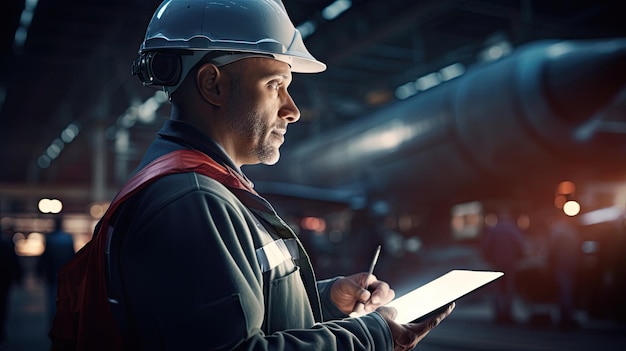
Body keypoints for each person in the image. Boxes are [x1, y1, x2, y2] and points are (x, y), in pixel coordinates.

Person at [73, 0, 454, 350]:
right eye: (275, 86)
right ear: (213, 85)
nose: (292, 110)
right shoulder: (192, 200)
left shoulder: (209, 189)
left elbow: (235, 315)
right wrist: (373, 334)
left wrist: (325, 300)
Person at [481, 207, 526, 324]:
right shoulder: (512, 229)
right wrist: (518, 257)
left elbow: (486, 246)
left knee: (497, 290)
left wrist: (490, 259)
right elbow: (520, 244)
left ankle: (498, 314)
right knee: (508, 288)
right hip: (509, 262)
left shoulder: (494, 229)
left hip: (496, 263)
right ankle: (508, 313)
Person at [37, 217, 75, 324]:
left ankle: (54, 319)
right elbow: (73, 257)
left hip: (52, 273)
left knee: (51, 298)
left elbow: (45, 258)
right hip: (65, 274)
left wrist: (40, 271)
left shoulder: (50, 239)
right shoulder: (68, 239)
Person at [548, 216, 580, 329]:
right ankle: (567, 316)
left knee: (564, 291)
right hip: (571, 264)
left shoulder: (558, 231)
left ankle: (564, 318)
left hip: (561, 264)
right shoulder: (572, 232)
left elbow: (552, 249)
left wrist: (550, 264)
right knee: (567, 291)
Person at [0, 226, 22, 347]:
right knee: (3, 306)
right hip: (4, 281)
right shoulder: (7, 244)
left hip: (4, 280)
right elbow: (13, 262)